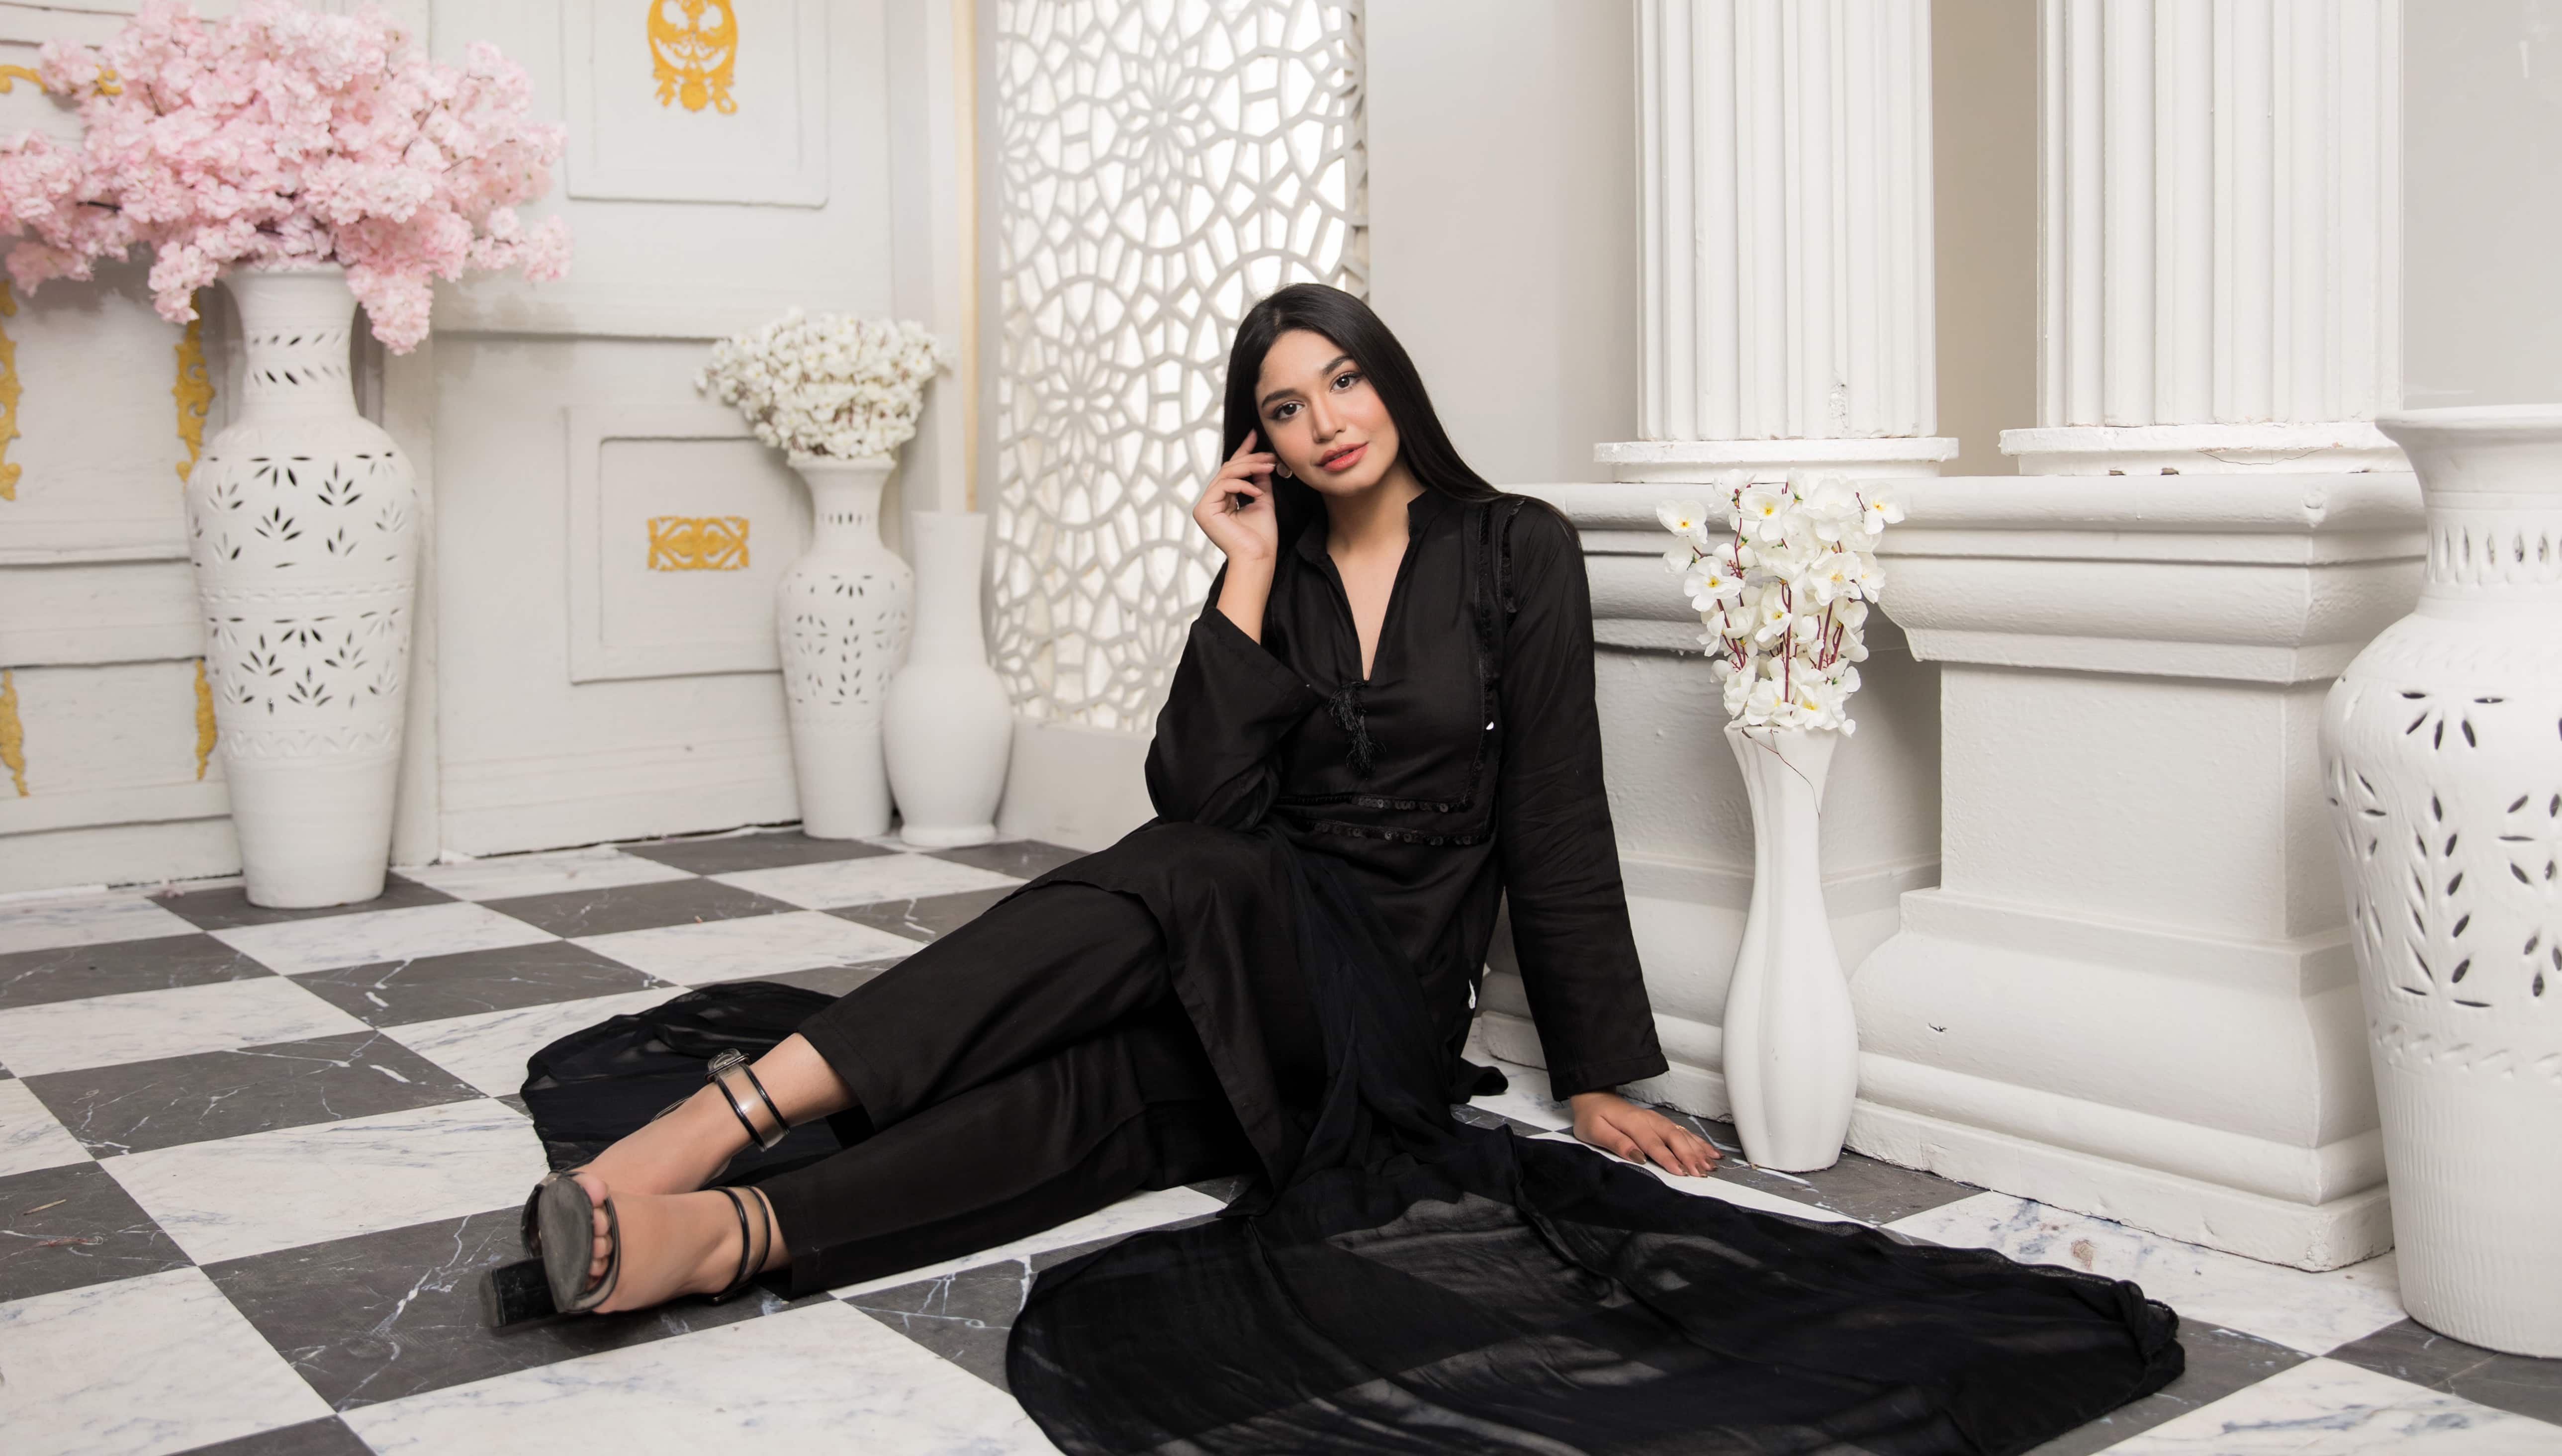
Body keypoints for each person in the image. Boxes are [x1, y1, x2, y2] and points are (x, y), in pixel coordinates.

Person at [497, 284, 2183, 1454]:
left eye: (1342, 384)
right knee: (1113, 1090)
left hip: (1380, 1003)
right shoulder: (1279, 568)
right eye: (1283, 410)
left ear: (1393, 382)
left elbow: (1555, 814)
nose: (1322, 425)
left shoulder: (1512, 549)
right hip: (1239, 947)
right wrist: (1238, 576)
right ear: (1261, 444)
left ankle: (718, 1119)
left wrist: (1602, 1069)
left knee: (1177, 876)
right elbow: (1202, 793)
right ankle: (726, 1236)